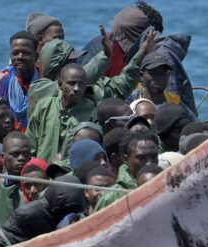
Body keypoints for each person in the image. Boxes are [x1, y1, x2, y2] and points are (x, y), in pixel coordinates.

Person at [27, 32, 157, 161]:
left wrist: (142, 53)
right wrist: (104, 57)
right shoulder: (39, 91)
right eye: (70, 61)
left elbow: (124, 82)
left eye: (76, 61)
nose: (78, 63)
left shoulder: (92, 93)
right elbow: (31, 147)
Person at [0, 175, 87, 247]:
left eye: (73, 209)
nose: (68, 214)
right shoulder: (28, 214)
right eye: (64, 210)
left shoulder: (78, 217)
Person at [27, 38, 111, 113]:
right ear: (56, 65)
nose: (76, 65)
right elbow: (82, 77)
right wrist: (104, 55)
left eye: (76, 60)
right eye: (71, 62)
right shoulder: (38, 88)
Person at [92, 129, 159, 213]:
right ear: (125, 159)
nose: (149, 163)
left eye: (153, 156)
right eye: (141, 158)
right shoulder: (111, 198)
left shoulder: (171, 183)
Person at [0, 31, 40, 132]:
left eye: (26, 52)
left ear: (36, 56)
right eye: (15, 53)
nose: (19, 57)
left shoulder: (46, 84)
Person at [0, 132, 32, 232]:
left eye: (25, 154)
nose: (21, 158)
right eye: (15, 154)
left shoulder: (34, 188)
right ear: (3, 157)